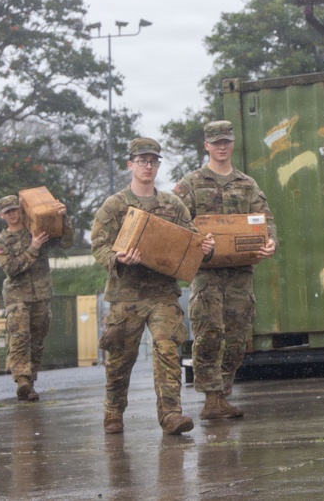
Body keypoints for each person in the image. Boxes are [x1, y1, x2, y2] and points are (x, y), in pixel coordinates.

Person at [91, 137, 215, 435]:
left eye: (154, 161)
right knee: (120, 358)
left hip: (162, 293)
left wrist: (206, 247)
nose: (149, 166)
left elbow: (192, 240)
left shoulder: (172, 205)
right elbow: (98, 244)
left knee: (167, 350)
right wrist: (118, 258)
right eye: (143, 160)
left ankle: (171, 414)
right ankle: (113, 410)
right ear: (130, 164)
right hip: (125, 295)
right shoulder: (115, 205)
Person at [173, 120, 277, 420]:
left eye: (226, 141)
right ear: (206, 145)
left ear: (233, 144)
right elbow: (175, 223)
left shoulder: (247, 184)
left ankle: (224, 391)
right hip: (206, 274)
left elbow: (265, 219)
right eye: (216, 141)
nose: (222, 146)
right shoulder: (190, 184)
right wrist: (196, 244)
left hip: (240, 273)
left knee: (236, 335)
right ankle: (212, 397)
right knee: (208, 332)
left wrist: (270, 243)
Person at [0, 193, 74, 402]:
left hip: (41, 294)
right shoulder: (2, 240)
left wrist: (64, 218)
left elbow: (66, 241)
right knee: (20, 337)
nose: (12, 215)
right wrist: (33, 247)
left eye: (14, 210)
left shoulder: (36, 229)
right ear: (1, 215)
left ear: (21, 209)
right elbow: (11, 269)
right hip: (16, 296)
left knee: (37, 340)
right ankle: (22, 380)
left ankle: (31, 382)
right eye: (7, 212)